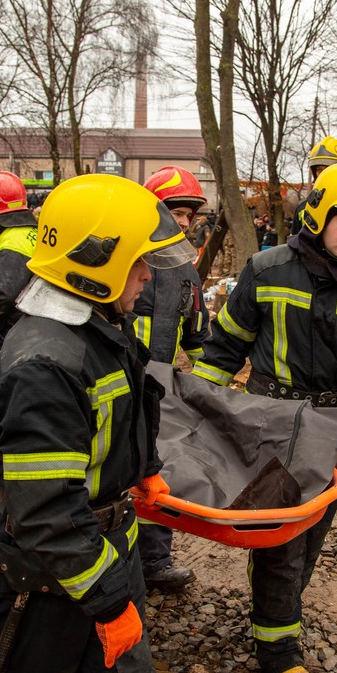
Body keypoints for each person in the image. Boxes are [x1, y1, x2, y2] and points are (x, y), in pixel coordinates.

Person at [0, 174, 195, 673]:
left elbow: (125, 411)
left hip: (107, 545)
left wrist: (141, 468)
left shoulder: (100, 329)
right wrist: (108, 601)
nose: (147, 277)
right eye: (137, 263)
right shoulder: (45, 366)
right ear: (96, 264)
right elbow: (45, 514)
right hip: (46, 570)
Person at [191, 159, 337, 673]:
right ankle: (279, 653)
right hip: (272, 422)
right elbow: (224, 349)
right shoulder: (266, 270)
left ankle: (273, 610)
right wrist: (194, 414)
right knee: (283, 544)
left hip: (332, 427)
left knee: (309, 541)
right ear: (318, 214)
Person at [127, 165, 211, 592]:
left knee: (156, 470)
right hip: (116, 384)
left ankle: (154, 561)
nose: (182, 222)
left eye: (188, 215)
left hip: (158, 391)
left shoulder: (186, 270)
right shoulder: (126, 257)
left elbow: (197, 334)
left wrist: (208, 388)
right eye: (175, 212)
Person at [0, 171, 39, 346]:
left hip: (9, 335)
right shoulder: (29, 232)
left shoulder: (12, 241)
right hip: (27, 331)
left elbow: (2, 296)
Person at [289, 136, 337, 236]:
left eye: (329, 169)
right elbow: (295, 243)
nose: (324, 174)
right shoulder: (303, 208)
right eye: (320, 169)